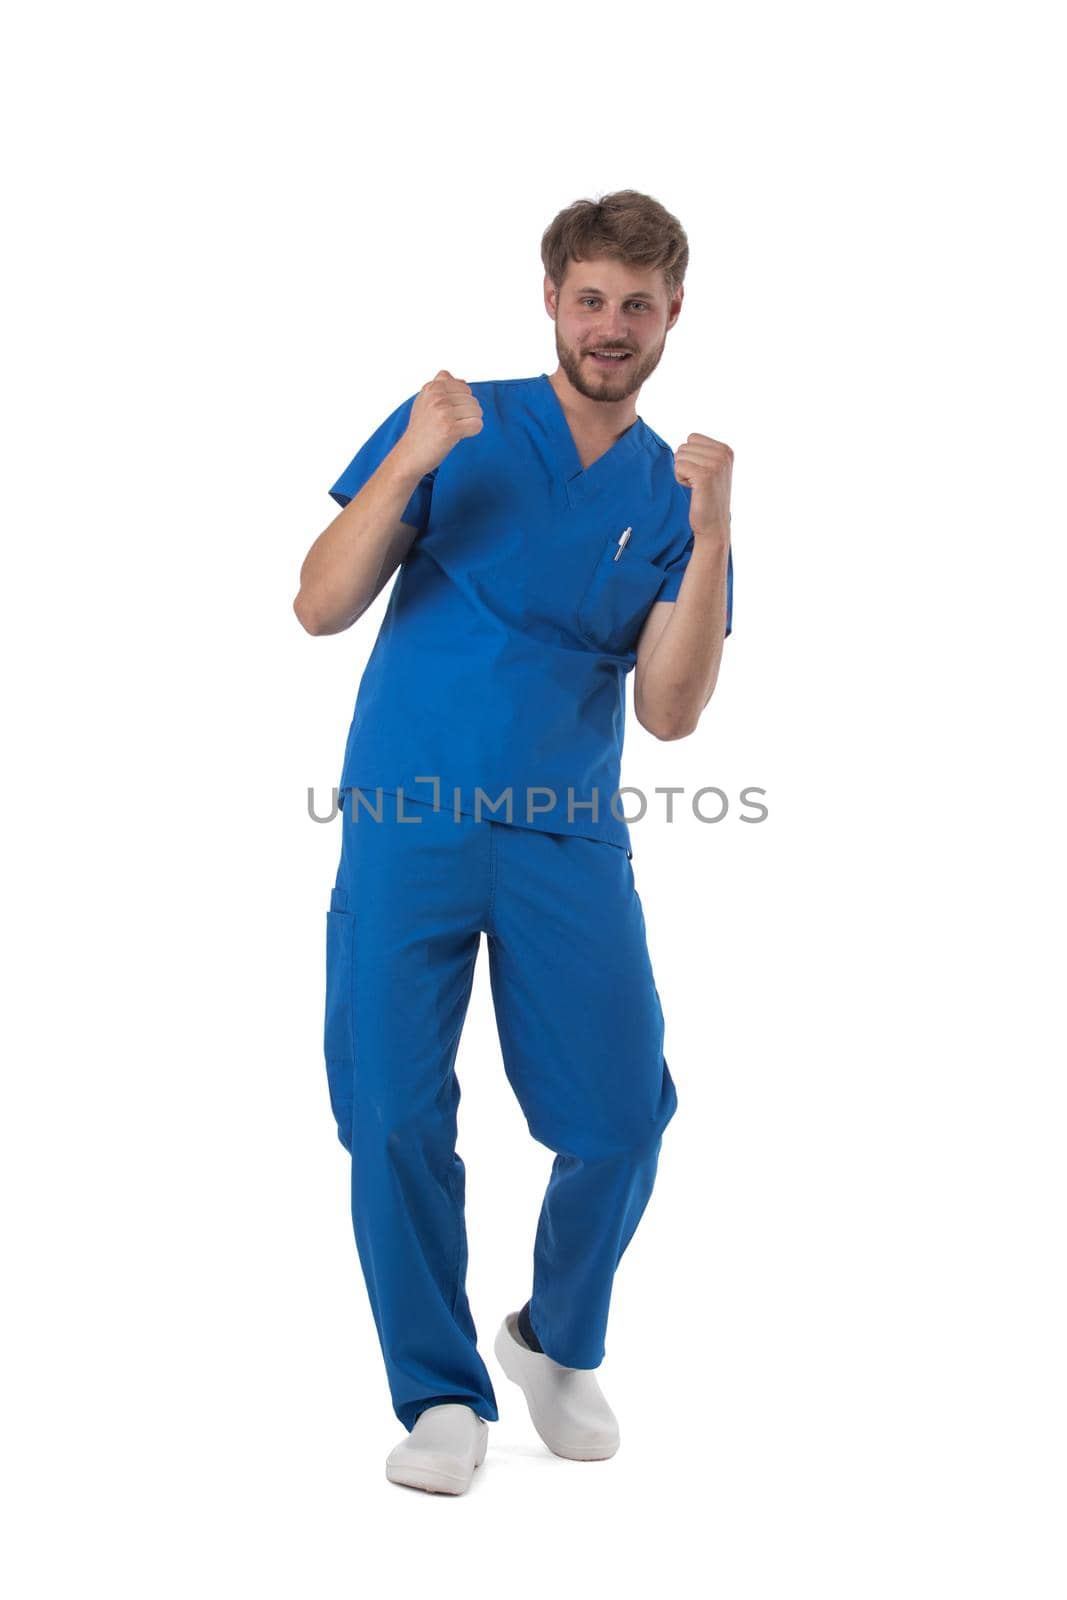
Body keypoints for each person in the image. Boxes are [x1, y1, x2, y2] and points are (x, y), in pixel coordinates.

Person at [293, 190, 734, 1495]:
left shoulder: (677, 493)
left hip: (565, 838)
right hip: (405, 822)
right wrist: (412, 459)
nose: (612, 327)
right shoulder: (459, 423)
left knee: (623, 1113)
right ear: (552, 299)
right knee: (390, 1110)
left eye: (637, 306)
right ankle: (438, 1393)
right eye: (590, 299)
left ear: (671, 316)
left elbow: (668, 711)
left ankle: (556, 1338)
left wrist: (708, 544)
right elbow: (318, 602)